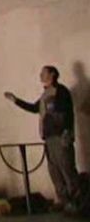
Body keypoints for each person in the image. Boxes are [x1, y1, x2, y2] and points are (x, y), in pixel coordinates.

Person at [5, 65, 81, 213]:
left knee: (67, 169)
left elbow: (67, 114)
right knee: (55, 171)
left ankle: (77, 202)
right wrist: (16, 100)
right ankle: (64, 201)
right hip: (49, 139)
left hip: (60, 137)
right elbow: (35, 108)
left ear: (52, 74)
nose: (40, 75)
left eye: (43, 73)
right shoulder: (45, 94)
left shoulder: (62, 92)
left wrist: (67, 133)